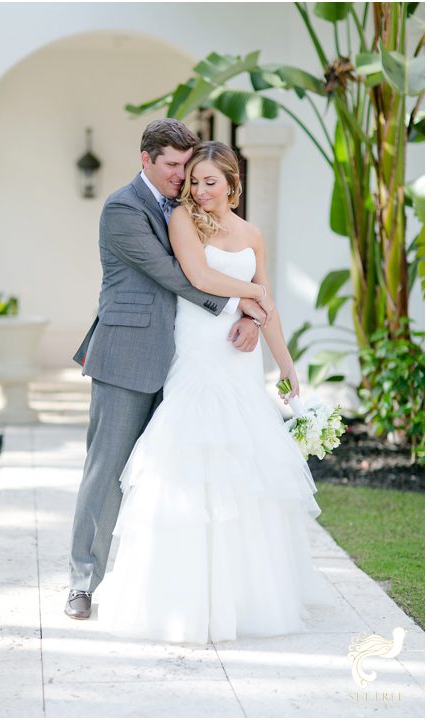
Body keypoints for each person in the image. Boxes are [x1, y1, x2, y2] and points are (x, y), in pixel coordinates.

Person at [94, 141, 331, 643]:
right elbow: (199, 277)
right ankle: (182, 598)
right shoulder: (183, 220)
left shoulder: (253, 235)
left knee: (247, 465)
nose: (197, 190)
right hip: (199, 349)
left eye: (208, 182)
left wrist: (285, 368)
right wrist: (253, 298)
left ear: (232, 183)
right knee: (189, 456)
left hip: (240, 364)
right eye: (193, 181)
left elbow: (269, 303)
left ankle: (246, 597)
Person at [66, 119, 269, 621]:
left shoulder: (189, 208)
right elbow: (174, 274)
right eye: (173, 166)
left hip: (188, 359)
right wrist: (246, 305)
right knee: (106, 471)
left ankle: (157, 584)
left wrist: (254, 316)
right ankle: (82, 582)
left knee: (170, 475)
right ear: (146, 160)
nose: (182, 176)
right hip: (128, 354)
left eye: (187, 165)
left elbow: (229, 259)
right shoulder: (122, 208)